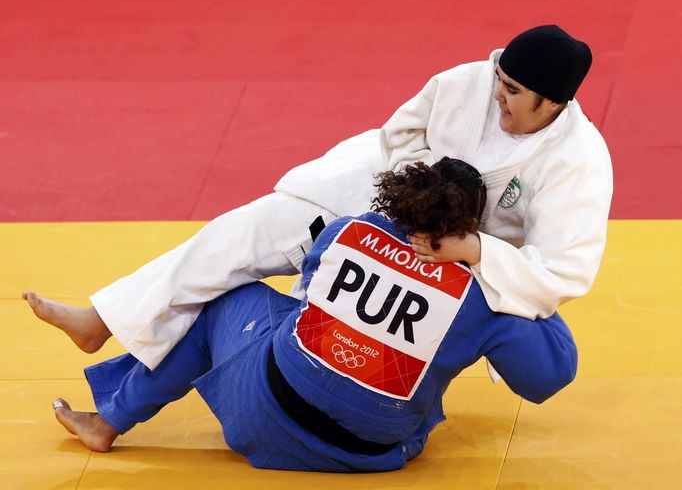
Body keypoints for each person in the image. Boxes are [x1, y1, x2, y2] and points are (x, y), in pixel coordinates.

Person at [23, 24, 612, 373]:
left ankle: (128, 380)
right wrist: (419, 187)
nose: (498, 96)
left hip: (457, 261)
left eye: (513, 92)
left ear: (551, 102)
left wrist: (472, 246)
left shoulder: (577, 162)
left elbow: (564, 269)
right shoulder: (468, 82)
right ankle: (103, 319)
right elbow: (402, 131)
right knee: (239, 236)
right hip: (380, 188)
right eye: (499, 82)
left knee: (294, 317)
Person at [48, 159, 577, 472]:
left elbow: (311, 291)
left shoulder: (347, 230)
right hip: (377, 453)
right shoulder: (484, 292)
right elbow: (547, 378)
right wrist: (519, 277)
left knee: (223, 299)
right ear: (473, 226)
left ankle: (109, 420)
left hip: (263, 420)